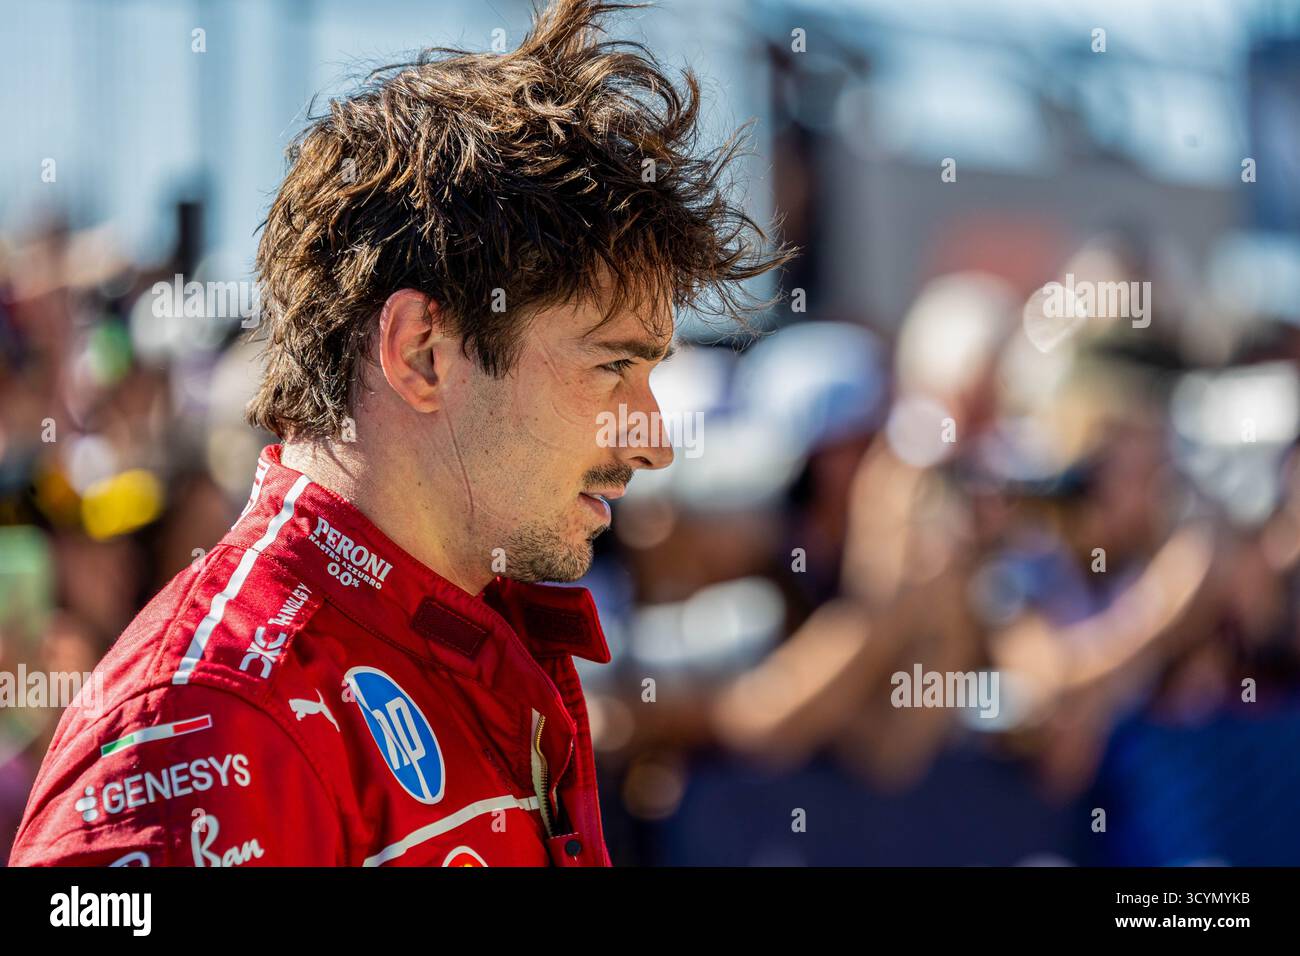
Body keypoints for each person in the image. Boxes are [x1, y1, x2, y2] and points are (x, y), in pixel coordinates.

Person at [9, 0, 791, 867]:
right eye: (614, 368)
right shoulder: (210, 722)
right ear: (421, 352)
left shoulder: (481, 639)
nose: (654, 441)